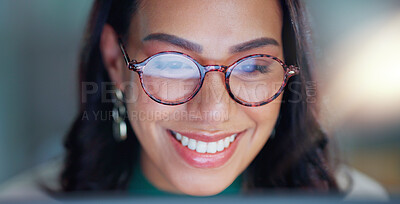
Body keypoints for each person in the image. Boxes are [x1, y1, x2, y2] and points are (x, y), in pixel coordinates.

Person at [0, 0, 388, 201]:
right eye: (171, 64)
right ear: (116, 63)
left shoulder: (360, 202)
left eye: (253, 65)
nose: (212, 111)